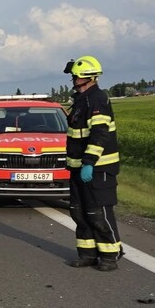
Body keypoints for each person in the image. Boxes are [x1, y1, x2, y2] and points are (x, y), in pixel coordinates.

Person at [63, 55, 122, 271]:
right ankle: (87, 254)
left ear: (86, 77)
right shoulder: (81, 100)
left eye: (75, 76)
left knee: (98, 213)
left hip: (98, 169)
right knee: (79, 212)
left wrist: (89, 162)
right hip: (79, 169)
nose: (72, 79)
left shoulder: (97, 99)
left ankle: (110, 255)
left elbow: (99, 134)